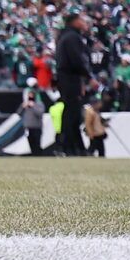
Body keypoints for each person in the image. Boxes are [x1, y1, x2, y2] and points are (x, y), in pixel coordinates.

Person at [55, 12, 90, 156]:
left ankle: (71, 146)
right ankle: (71, 147)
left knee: (70, 113)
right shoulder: (72, 38)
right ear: (75, 22)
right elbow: (77, 61)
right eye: (82, 20)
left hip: (66, 79)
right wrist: (88, 76)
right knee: (72, 114)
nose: (84, 23)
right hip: (70, 79)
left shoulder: (65, 36)